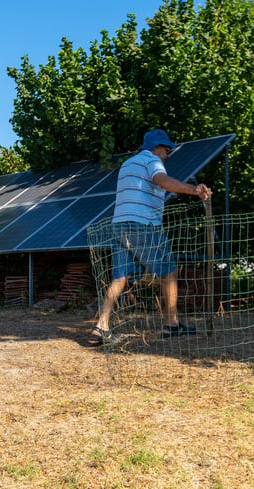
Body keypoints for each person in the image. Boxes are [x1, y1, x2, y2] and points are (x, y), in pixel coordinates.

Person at [90, 129, 212, 344]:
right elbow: (162, 180)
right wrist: (193, 190)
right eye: (166, 150)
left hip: (120, 224)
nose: (167, 155)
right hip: (143, 223)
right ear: (157, 147)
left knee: (120, 276)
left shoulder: (128, 164)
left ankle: (101, 325)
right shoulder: (152, 160)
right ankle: (171, 324)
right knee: (169, 270)